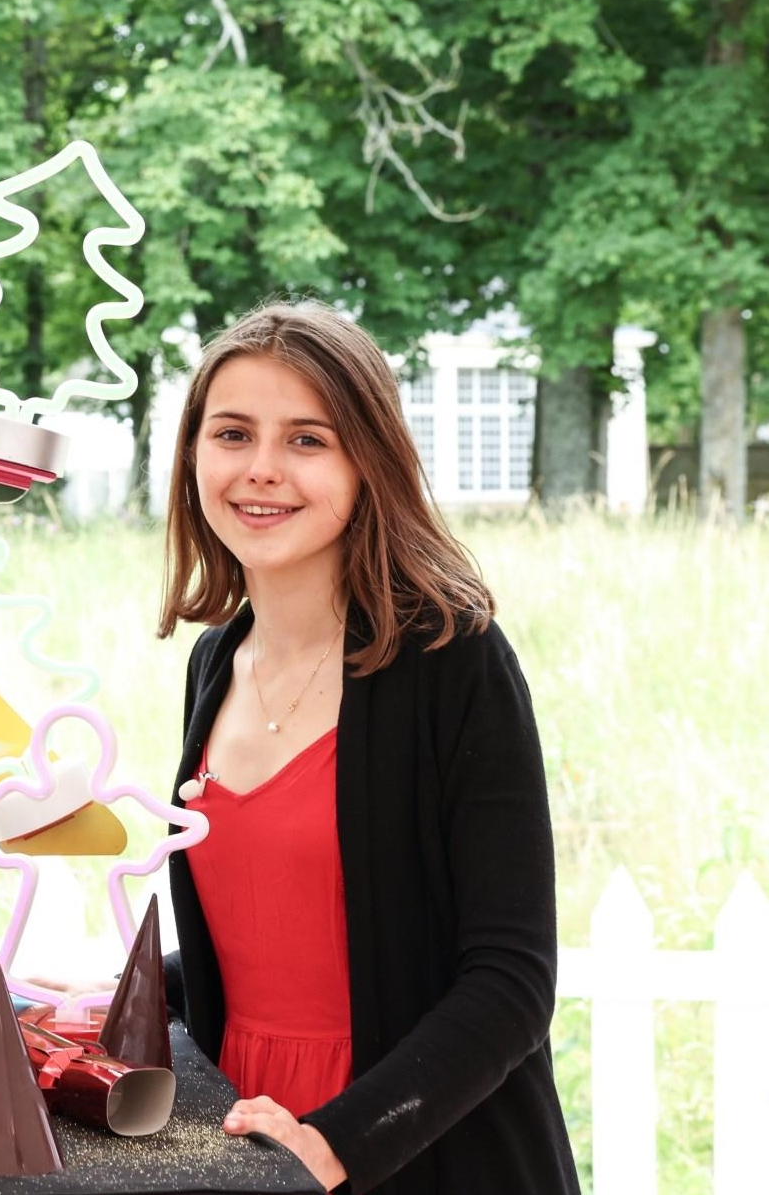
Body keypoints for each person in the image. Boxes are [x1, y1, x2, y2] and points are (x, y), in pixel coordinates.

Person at [156, 302, 580, 1193]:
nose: (260, 469)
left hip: (414, 1146)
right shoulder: (214, 661)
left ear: (366, 462)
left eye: (306, 440)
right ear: (194, 452)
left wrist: (336, 1140)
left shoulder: (453, 660)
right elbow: (268, 940)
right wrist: (114, 996)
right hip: (244, 1143)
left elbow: (509, 981)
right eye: (232, 433)